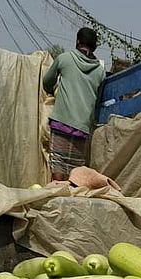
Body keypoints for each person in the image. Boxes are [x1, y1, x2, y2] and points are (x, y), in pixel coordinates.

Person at [42, 26, 107, 182]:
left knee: (58, 162)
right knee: (76, 168)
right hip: (82, 127)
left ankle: (57, 195)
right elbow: (97, 100)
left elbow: (46, 82)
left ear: (78, 42)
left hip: (61, 122)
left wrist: (53, 91)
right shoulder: (100, 71)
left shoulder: (64, 59)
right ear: (94, 47)